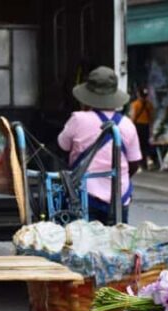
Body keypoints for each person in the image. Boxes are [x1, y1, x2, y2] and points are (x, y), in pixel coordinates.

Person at [58, 66, 142, 224]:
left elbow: (62, 146)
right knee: (118, 245)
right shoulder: (127, 124)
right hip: (119, 197)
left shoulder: (78, 119)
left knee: (84, 245)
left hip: (84, 196)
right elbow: (135, 163)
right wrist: (116, 177)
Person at [129, 86, 155, 169]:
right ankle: (147, 162)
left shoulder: (135, 104)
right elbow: (152, 118)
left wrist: (130, 128)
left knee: (137, 145)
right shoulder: (149, 105)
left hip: (138, 127)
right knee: (145, 146)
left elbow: (132, 117)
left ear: (138, 94)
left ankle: (139, 164)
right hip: (146, 127)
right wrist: (151, 129)